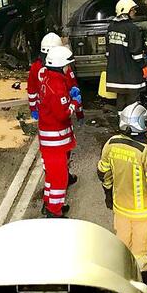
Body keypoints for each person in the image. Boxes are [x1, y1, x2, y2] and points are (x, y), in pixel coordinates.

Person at [98, 102, 147, 293]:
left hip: (120, 208)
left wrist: (107, 194)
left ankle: (120, 288)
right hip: (143, 212)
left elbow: (103, 172)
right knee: (141, 251)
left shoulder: (111, 143)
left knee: (122, 246)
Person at [38, 45, 82, 218]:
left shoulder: (48, 78)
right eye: (66, 65)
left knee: (51, 176)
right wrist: (74, 103)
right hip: (55, 140)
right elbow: (63, 114)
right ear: (60, 66)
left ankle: (49, 204)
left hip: (50, 139)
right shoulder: (56, 87)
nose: (68, 68)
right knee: (59, 178)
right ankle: (54, 212)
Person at [105, 0, 147, 126]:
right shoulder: (132, 28)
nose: (134, 12)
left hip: (115, 72)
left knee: (121, 97)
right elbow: (136, 53)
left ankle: (121, 123)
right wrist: (143, 66)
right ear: (126, 11)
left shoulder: (111, 27)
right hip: (131, 73)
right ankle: (133, 124)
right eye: (132, 10)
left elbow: (108, 52)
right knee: (132, 98)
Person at [26, 32, 68, 120]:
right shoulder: (62, 66)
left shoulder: (35, 66)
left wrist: (33, 108)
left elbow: (31, 90)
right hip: (59, 106)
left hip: (43, 107)